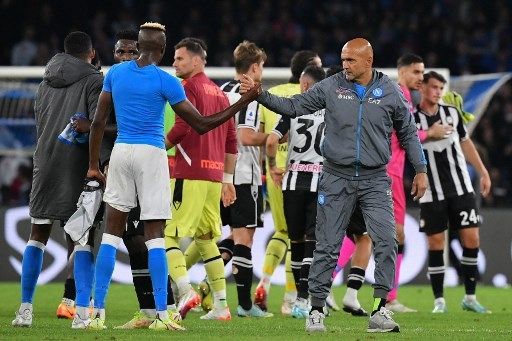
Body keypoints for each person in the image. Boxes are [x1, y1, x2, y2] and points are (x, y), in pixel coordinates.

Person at [241, 38, 428, 333]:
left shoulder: (390, 91)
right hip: (335, 176)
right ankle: (315, 310)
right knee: (326, 245)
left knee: (387, 241)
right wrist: (259, 95)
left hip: (375, 179)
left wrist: (420, 170)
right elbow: (293, 107)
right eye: (342, 60)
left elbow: (408, 133)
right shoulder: (332, 86)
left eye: (350, 61)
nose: (344, 66)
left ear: (368, 61)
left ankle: (380, 311)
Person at [84, 23, 259, 330]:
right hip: (152, 155)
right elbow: (202, 124)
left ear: (138, 46)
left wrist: (93, 166)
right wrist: (242, 102)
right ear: (163, 50)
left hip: (122, 151)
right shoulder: (167, 81)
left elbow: (98, 123)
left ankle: (95, 314)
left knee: (110, 235)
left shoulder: (114, 74)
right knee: (156, 237)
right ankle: (163, 316)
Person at [12, 31, 103, 328]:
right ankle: (80, 314)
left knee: (36, 235)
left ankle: (24, 310)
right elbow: (95, 126)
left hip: (44, 163)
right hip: (77, 167)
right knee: (81, 239)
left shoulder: (44, 82)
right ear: (90, 53)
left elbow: (41, 125)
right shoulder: (94, 80)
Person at [164, 37, 237, 321]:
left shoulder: (188, 88)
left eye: (179, 58)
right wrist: (228, 179)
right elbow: (232, 142)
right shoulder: (220, 94)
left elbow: (182, 125)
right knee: (206, 239)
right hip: (213, 176)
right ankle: (221, 306)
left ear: (197, 60)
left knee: (165, 234)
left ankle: (185, 291)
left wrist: (160, 144)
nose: (175, 63)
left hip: (189, 173)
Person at [414, 71, 491, 314]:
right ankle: (439, 300)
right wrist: (428, 135)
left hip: (461, 188)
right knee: (436, 244)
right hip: (431, 192)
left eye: (441, 88)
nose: (438, 92)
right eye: (434, 87)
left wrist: (483, 172)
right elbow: (405, 147)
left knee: (472, 239)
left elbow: (466, 143)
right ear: (422, 87)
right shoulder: (412, 119)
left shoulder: (452, 113)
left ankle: (469, 297)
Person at [254, 50, 322, 314]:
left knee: (292, 240)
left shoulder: (291, 106)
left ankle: (273, 286)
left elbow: (271, 140)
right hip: (318, 181)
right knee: (311, 243)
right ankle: (299, 300)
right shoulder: (331, 111)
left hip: (289, 180)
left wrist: (272, 168)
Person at [216, 40, 272, 317]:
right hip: (243, 174)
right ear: (254, 66)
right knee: (243, 241)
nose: (263, 71)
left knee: (236, 237)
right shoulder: (248, 93)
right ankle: (245, 305)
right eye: (262, 65)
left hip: (220, 173)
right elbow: (245, 135)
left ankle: (205, 285)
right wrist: (273, 137)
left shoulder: (222, 89)